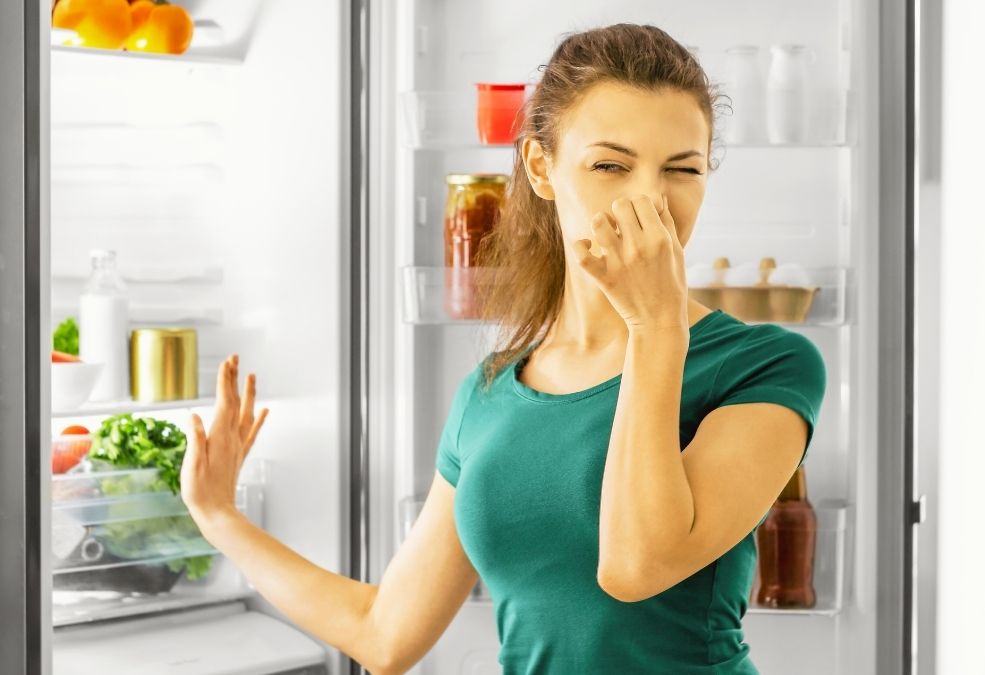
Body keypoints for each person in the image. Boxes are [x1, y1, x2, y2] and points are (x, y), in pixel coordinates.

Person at [182, 22, 826, 675]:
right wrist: (219, 517)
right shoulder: (490, 391)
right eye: (610, 164)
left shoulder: (763, 366)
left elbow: (637, 566)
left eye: (682, 169)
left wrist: (656, 329)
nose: (648, 198)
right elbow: (384, 635)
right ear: (541, 167)